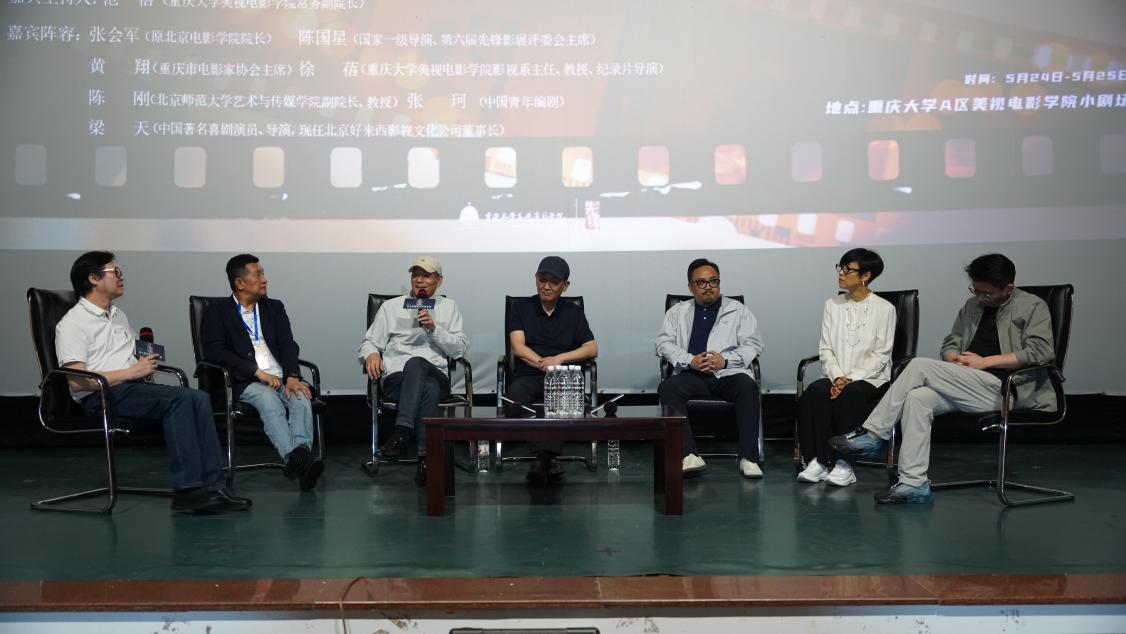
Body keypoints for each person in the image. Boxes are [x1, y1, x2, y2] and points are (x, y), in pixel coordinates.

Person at [831, 253, 1055, 503]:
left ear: (1008, 288)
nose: (981, 298)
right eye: (976, 291)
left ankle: (873, 434)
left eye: (988, 294)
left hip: (1005, 389)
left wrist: (985, 362)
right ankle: (913, 483)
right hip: (968, 382)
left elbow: (1041, 352)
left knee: (918, 365)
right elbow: (951, 342)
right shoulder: (972, 306)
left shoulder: (1032, 306)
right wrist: (953, 358)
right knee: (917, 398)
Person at [54, 251, 251, 514]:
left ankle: (214, 486)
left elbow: (128, 359)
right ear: (93, 278)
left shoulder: (118, 315)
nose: (122, 277)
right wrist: (131, 372)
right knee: (180, 400)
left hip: (131, 388)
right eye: (115, 272)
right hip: (99, 396)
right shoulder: (73, 323)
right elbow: (78, 381)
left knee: (198, 397)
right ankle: (188, 491)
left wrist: (142, 365)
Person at [200, 254, 323, 492]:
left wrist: (292, 376)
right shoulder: (218, 312)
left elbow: (288, 344)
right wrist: (256, 372)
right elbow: (215, 352)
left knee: (300, 396)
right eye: (258, 274)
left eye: (263, 273)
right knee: (268, 399)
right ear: (239, 283)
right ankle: (299, 460)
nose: (264, 279)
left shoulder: (274, 307)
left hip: (281, 376)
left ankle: (298, 460)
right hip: (245, 380)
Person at [358, 256, 469, 485]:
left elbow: (460, 349)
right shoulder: (391, 307)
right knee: (427, 387)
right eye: (415, 275)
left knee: (417, 363)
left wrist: (434, 329)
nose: (419, 281)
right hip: (397, 379)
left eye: (426, 276)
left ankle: (402, 430)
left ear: (439, 281)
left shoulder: (448, 307)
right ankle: (425, 460)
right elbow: (370, 342)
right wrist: (371, 354)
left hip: (436, 373)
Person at [656, 258, 765, 478]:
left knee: (748, 386)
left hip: (728, 374)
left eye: (713, 281)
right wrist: (690, 360)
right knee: (667, 387)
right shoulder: (677, 311)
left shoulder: (737, 310)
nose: (708, 287)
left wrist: (725, 360)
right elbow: (663, 343)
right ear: (690, 287)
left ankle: (749, 458)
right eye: (701, 282)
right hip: (692, 374)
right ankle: (689, 455)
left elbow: (754, 344)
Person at [796, 249, 896, 487]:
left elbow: (882, 355)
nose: (841, 273)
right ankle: (818, 461)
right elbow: (826, 348)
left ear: (866, 276)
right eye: (840, 267)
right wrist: (838, 377)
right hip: (836, 375)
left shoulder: (885, 309)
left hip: (871, 378)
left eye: (848, 269)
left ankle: (845, 464)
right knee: (814, 392)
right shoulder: (832, 304)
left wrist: (850, 379)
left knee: (851, 394)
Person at [505, 256, 599, 484]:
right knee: (516, 393)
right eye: (542, 279)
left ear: (565, 285)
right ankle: (548, 458)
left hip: (562, 376)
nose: (546, 286)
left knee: (563, 394)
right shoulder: (520, 308)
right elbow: (518, 347)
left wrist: (558, 360)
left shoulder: (573, 312)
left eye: (554, 282)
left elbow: (592, 348)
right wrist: (542, 362)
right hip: (529, 375)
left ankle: (541, 459)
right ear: (535, 279)